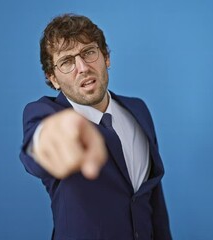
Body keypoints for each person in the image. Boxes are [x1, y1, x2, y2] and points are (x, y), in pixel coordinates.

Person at [19, 13, 172, 240]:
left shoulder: (138, 110)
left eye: (89, 52)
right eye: (66, 62)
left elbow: (152, 200)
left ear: (106, 57)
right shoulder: (45, 114)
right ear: (53, 78)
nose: (82, 67)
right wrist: (48, 138)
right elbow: (37, 147)